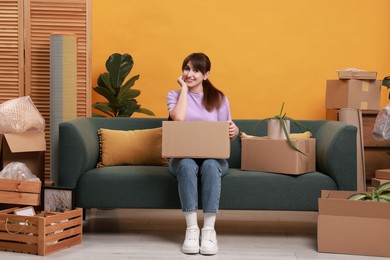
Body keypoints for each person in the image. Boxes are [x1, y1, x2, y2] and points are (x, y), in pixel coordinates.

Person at [166, 52, 239, 255]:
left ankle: (208, 231)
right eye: (187, 68)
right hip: (182, 158)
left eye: (196, 70)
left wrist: (235, 132)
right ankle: (191, 229)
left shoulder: (219, 98)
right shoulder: (174, 95)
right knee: (188, 164)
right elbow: (178, 118)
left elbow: (226, 131)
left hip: (214, 159)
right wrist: (183, 89)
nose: (190, 74)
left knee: (208, 165)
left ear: (206, 75)